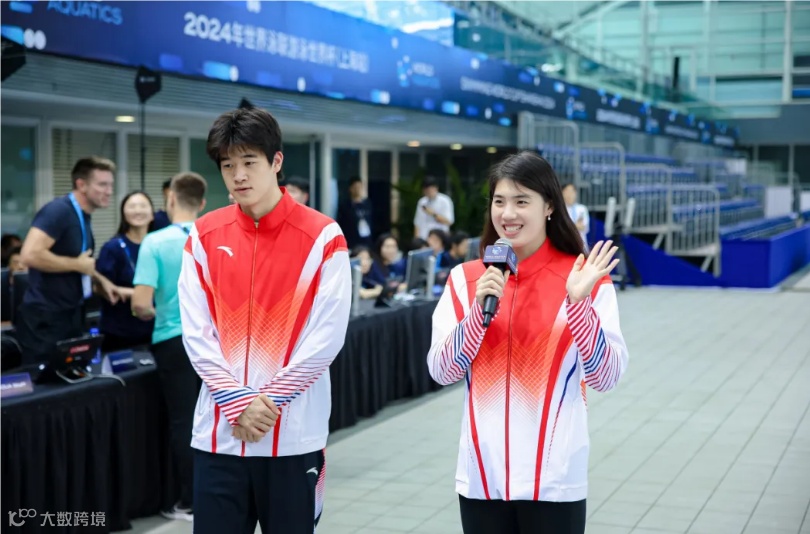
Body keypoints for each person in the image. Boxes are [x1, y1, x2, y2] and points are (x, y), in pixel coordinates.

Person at [426, 151, 629, 534]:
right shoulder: (466, 279)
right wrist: (477, 315)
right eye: (499, 201)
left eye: (522, 202)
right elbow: (442, 371)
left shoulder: (584, 278)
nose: (508, 214)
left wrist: (579, 306)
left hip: (554, 481)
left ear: (549, 206)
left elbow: (606, 377)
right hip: (482, 479)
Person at [177, 107, 352, 534]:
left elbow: (326, 337)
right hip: (220, 435)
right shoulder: (203, 235)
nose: (238, 175)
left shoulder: (323, 236)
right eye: (227, 165)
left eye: (249, 162)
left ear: (276, 161)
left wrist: (266, 403)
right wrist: (238, 403)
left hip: (292, 436)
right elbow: (197, 335)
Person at [131, 173, 207, 521]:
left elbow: (140, 303)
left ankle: (190, 501)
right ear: (202, 203)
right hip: (214, 340)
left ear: (170, 199)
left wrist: (154, 310)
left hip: (173, 340)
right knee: (212, 417)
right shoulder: (211, 237)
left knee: (183, 420)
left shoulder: (155, 242)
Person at [17, 156, 121, 365]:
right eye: (102, 185)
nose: (109, 191)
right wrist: (77, 265)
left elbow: (80, 260)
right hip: (46, 317)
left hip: (71, 312)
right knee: (46, 381)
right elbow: (29, 255)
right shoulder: (59, 211)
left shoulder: (81, 215)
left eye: (111, 185)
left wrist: (101, 280)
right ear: (81, 185)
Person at [95, 191, 155, 352]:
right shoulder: (112, 248)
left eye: (143, 206)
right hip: (120, 332)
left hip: (156, 330)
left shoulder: (159, 245)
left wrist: (129, 292)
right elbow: (99, 287)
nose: (138, 211)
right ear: (123, 213)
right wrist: (136, 294)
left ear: (152, 214)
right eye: (132, 206)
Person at [337, 175, 373, 249]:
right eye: (355, 187)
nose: (357, 190)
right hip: (352, 240)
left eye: (359, 187)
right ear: (350, 189)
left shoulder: (368, 204)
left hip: (367, 239)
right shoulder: (345, 206)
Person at [414, 175, 454, 240]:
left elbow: (449, 221)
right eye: (426, 191)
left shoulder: (445, 201)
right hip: (424, 238)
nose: (428, 193)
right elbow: (417, 223)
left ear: (436, 188)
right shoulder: (422, 202)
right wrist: (417, 240)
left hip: (440, 239)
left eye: (430, 190)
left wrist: (433, 214)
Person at [563, 183, 590, 252]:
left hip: (581, 245)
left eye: (572, 192)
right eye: (567, 191)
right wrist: (575, 226)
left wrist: (570, 226)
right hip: (566, 245)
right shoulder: (560, 210)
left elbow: (584, 227)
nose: (570, 195)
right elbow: (562, 228)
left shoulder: (582, 209)